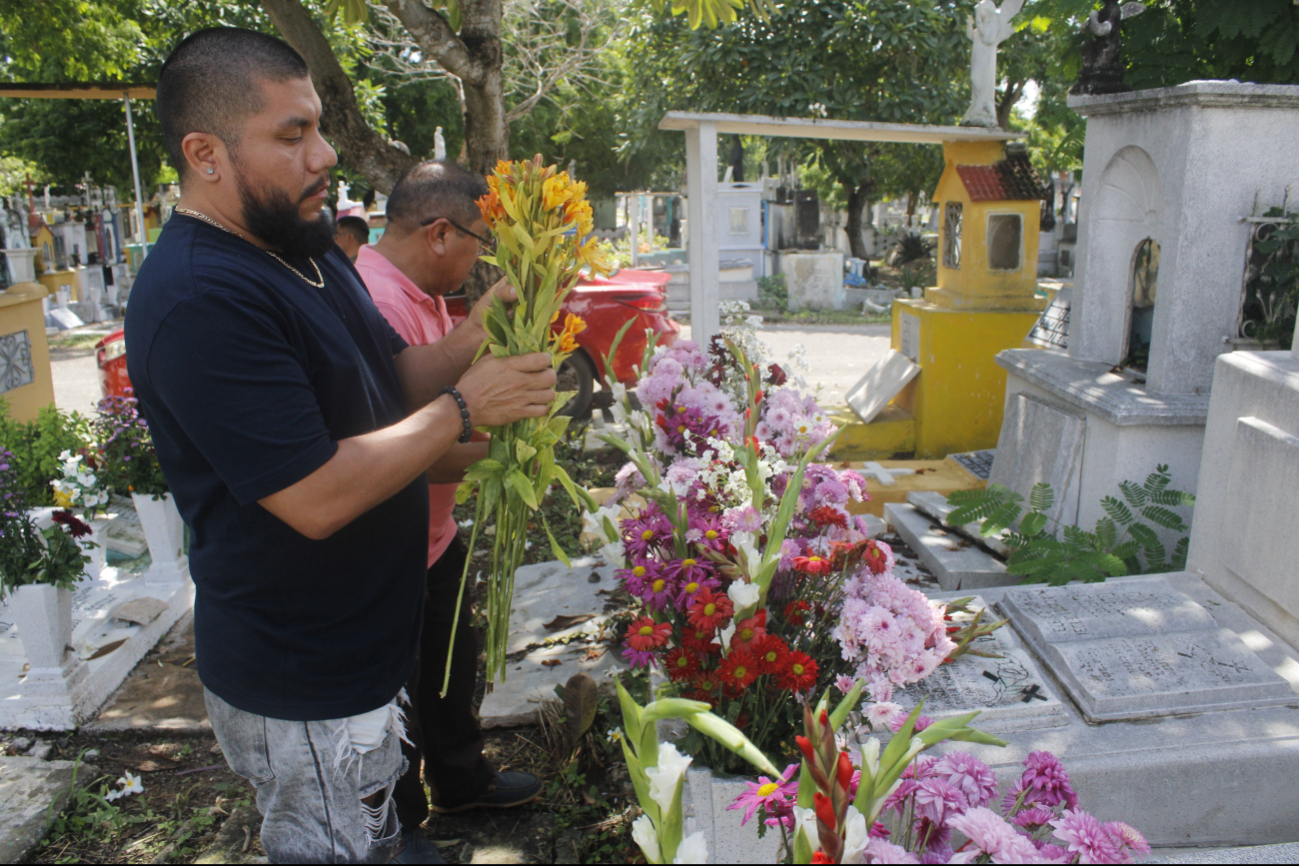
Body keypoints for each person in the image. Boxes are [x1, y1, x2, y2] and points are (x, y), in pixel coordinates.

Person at [124, 28, 556, 865]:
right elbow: (314, 497)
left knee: (381, 836)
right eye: (291, 136)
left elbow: (389, 384)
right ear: (205, 154)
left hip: (366, 640)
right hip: (302, 675)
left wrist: (493, 317)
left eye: (317, 126)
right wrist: (468, 407)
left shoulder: (305, 249)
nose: (323, 155)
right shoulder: (200, 298)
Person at [352, 161, 541, 856]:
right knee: (395, 696)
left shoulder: (423, 292)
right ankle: (400, 832)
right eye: (479, 243)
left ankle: (459, 780)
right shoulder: (374, 298)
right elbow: (401, 441)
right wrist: (512, 459)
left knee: (447, 666)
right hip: (389, 539)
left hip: (430, 532)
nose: (478, 260)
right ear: (439, 233)